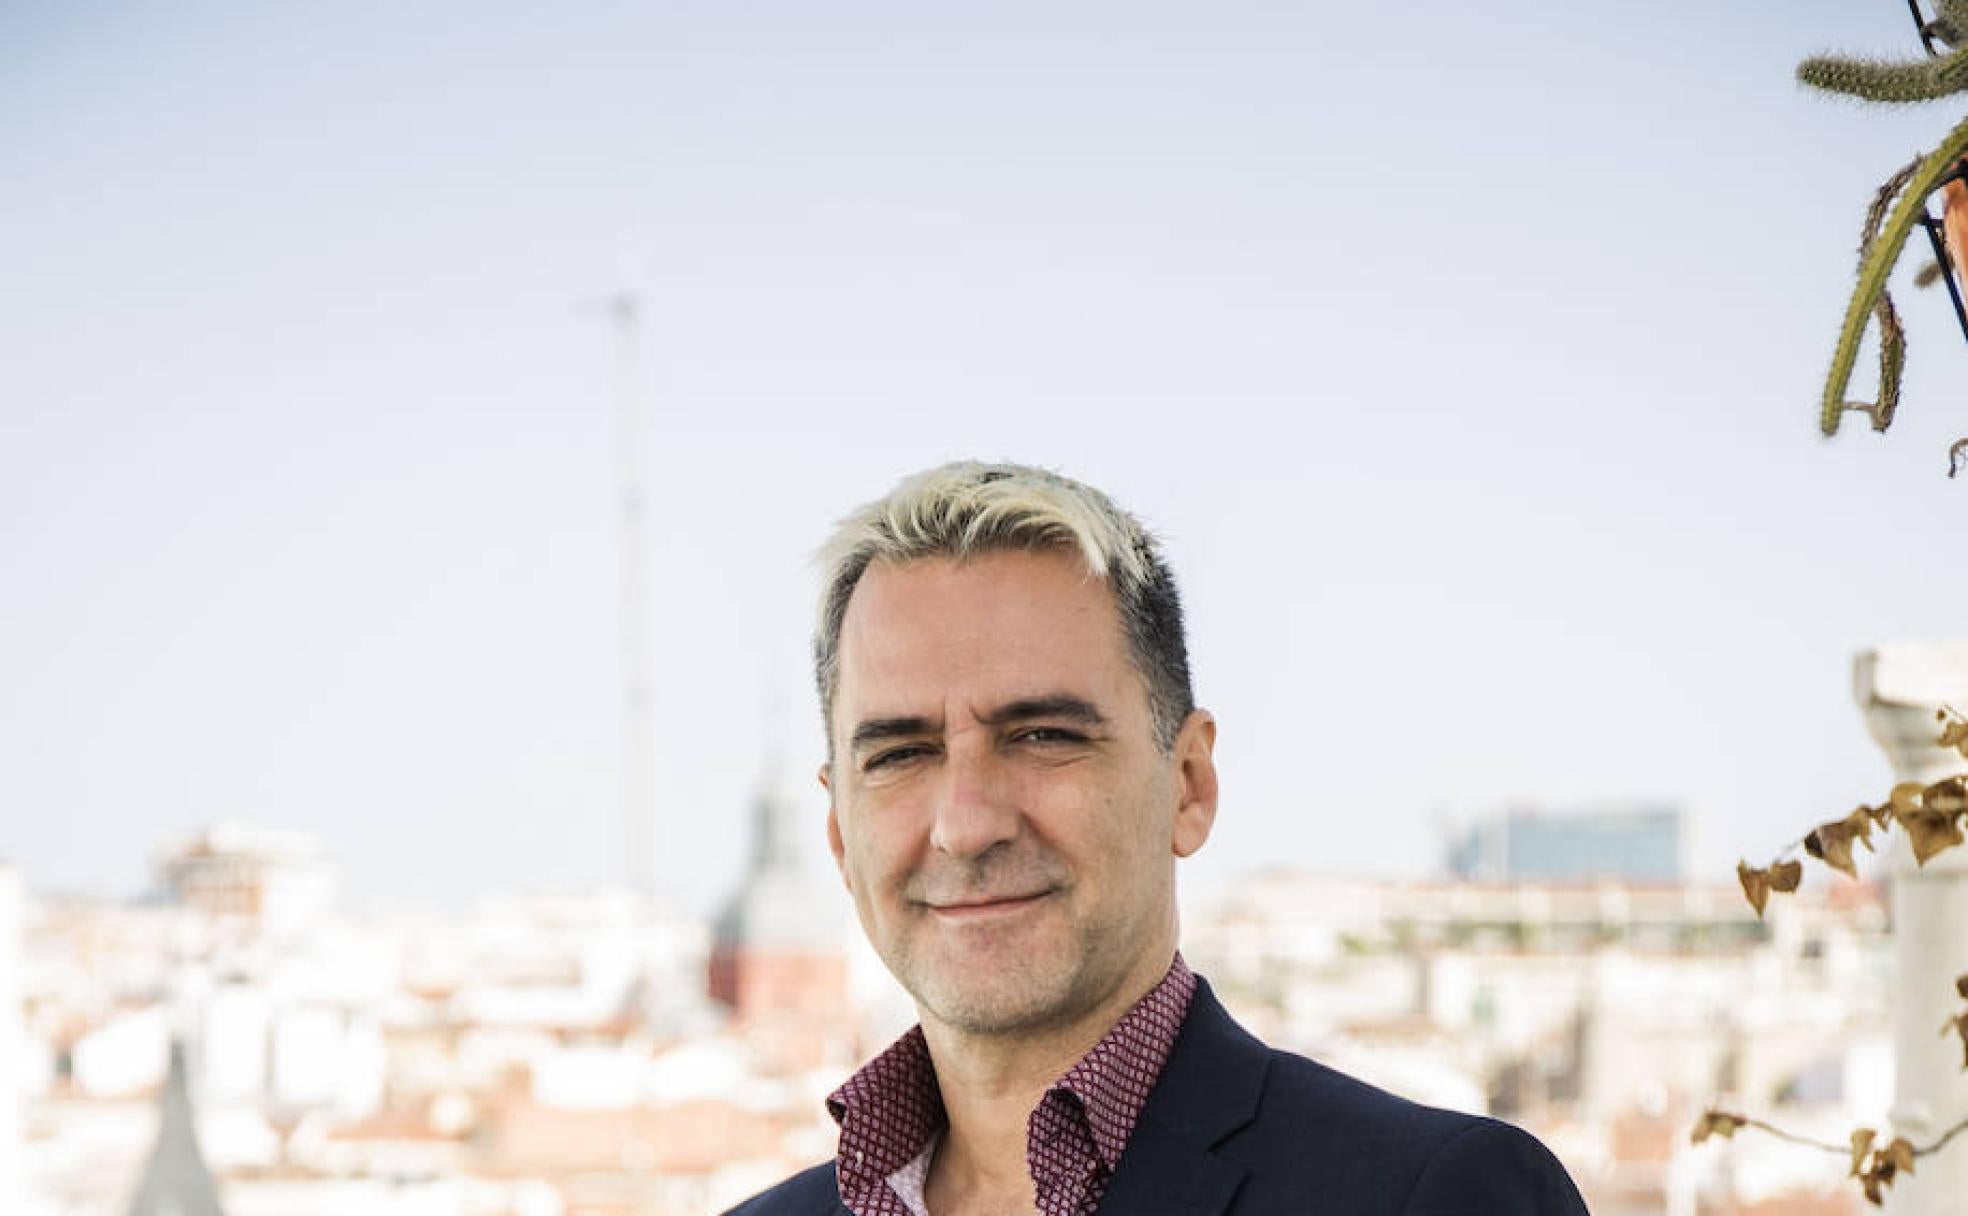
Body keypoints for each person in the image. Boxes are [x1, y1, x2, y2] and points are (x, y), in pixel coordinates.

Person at [727, 462, 1590, 1216]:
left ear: (1189, 786)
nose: (965, 824)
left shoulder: (1436, 1196)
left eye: (1043, 736)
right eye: (902, 753)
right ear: (839, 830)